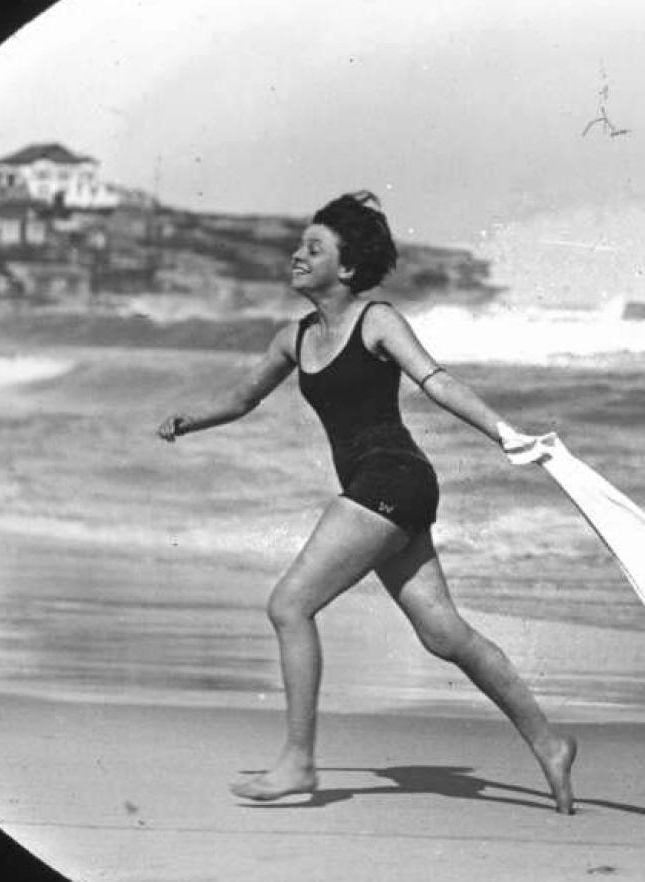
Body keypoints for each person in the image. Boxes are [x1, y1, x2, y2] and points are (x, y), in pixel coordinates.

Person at [156, 191, 576, 813]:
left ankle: (299, 763)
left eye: (314, 248)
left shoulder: (376, 320)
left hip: (392, 478)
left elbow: (436, 381)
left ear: (346, 268)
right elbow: (244, 400)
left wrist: (505, 434)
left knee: (290, 605)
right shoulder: (292, 339)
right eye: (300, 245)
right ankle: (550, 744)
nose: (298, 255)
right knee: (443, 634)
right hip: (385, 490)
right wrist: (188, 420)